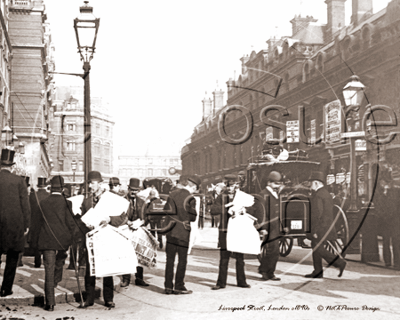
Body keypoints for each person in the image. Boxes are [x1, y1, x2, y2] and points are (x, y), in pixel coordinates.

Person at [78, 171, 127, 308]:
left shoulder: (111, 199)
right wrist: (84, 224)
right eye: (88, 183)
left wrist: (109, 219)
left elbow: (122, 218)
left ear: (100, 184)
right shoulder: (87, 201)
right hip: (92, 240)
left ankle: (108, 299)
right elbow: (81, 220)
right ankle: (89, 298)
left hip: (106, 239)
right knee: (89, 270)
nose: (89, 186)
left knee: (107, 270)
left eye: (92, 183)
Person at [37, 176, 76, 311]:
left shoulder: (43, 202)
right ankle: (55, 282)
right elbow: (70, 223)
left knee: (49, 269)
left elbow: (37, 223)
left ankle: (50, 303)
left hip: (47, 240)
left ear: (50, 187)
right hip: (62, 241)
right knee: (59, 263)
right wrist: (72, 237)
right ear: (62, 188)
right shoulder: (67, 203)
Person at [210, 174, 251, 290]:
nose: (230, 188)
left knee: (240, 258)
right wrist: (227, 208)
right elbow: (213, 210)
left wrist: (244, 210)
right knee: (224, 258)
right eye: (228, 185)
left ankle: (241, 281)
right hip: (225, 230)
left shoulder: (243, 197)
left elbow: (252, 209)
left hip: (238, 230)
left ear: (238, 185)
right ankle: (221, 283)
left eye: (233, 185)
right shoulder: (221, 197)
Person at [0, 149, 30, 297]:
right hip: (14, 225)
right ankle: (6, 288)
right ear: (12, 166)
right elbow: (25, 206)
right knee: (12, 259)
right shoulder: (19, 181)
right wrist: (26, 225)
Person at [163, 175, 200, 294]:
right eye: (195, 188)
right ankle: (179, 286)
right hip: (183, 233)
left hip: (171, 231)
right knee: (182, 260)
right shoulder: (191, 198)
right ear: (192, 186)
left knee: (170, 260)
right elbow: (193, 217)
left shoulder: (172, 194)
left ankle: (168, 286)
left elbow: (165, 210)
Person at [305, 171, 346, 278]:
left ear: (317, 183)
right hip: (327, 226)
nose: (310, 186)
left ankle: (339, 262)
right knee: (316, 247)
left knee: (318, 248)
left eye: (312, 183)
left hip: (320, 227)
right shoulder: (326, 194)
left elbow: (317, 214)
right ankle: (317, 271)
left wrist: (314, 230)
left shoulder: (318, 195)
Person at [120, 177, 150, 288]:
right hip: (125, 230)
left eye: (136, 190)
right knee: (126, 254)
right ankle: (126, 278)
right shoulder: (122, 200)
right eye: (132, 189)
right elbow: (120, 215)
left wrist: (142, 222)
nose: (133, 192)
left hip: (138, 230)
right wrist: (127, 222)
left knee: (139, 254)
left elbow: (147, 217)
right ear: (128, 189)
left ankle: (139, 278)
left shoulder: (142, 202)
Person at [258, 171, 283, 281]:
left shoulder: (275, 194)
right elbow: (261, 213)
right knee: (271, 250)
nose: (277, 186)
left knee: (274, 251)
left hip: (275, 226)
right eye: (275, 183)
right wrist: (262, 228)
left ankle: (269, 272)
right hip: (268, 227)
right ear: (269, 183)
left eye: (279, 184)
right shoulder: (263, 194)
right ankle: (265, 271)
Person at [374, 172, 400, 268]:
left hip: (394, 221)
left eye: (383, 181)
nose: (382, 183)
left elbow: (394, 207)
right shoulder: (380, 193)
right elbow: (378, 206)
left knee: (396, 242)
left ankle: (397, 262)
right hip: (385, 221)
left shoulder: (395, 192)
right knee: (386, 241)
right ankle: (388, 261)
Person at [29, 177, 50, 268]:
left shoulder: (33, 195)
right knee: (45, 241)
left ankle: (37, 261)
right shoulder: (49, 195)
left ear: (38, 186)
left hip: (35, 221)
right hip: (46, 221)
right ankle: (46, 260)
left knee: (36, 242)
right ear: (45, 186)